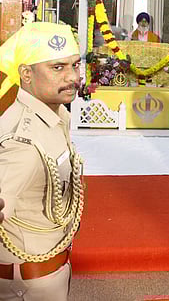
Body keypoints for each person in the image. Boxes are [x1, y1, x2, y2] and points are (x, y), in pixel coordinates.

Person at [0, 23, 85, 300]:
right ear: (26, 74)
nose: (72, 77)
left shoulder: (56, 115)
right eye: (57, 68)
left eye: (75, 65)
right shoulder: (20, 143)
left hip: (49, 269)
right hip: (30, 286)